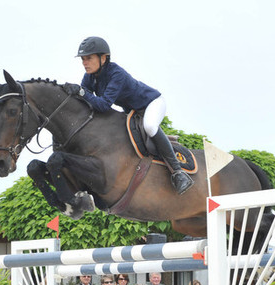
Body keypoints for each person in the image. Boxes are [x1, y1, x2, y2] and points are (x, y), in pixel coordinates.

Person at [70, 36, 193, 195]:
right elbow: (87, 101)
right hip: (131, 111)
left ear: (103, 58)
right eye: (83, 59)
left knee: (150, 126)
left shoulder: (116, 74)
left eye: (89, 58)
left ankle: (178, 172)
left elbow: (103, 105)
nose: (84, 63)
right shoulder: (90, 77)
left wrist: (81, 92)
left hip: (151, 103)